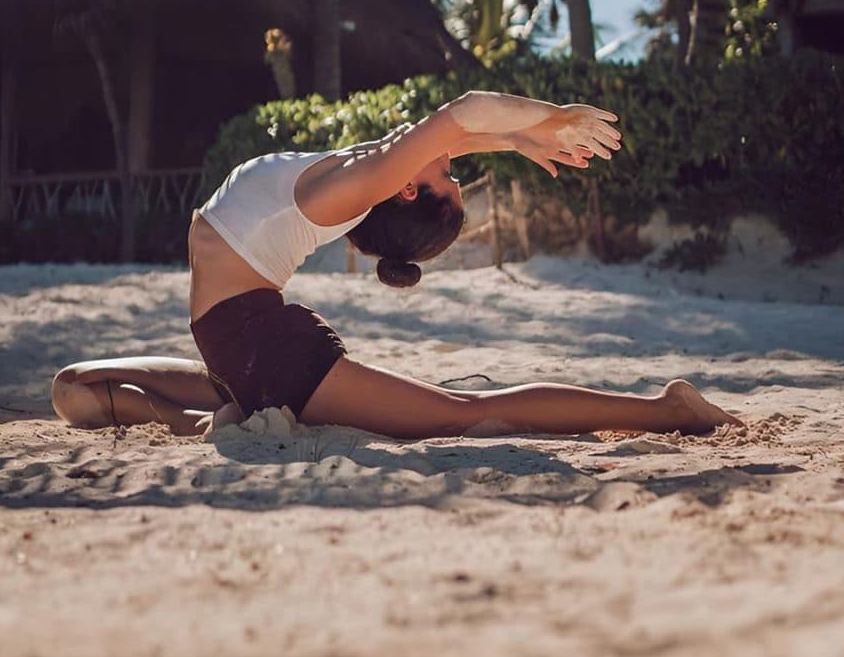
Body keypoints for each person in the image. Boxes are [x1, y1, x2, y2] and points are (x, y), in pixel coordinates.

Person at [51, 91, 740, 439]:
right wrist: (526, 140)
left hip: (265, 352)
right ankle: (219, 419)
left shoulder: (358, 185)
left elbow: (460, 114)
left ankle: (662, 411)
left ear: (408, 188)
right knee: (71, 386)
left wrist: (552, 116)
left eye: (450, 178)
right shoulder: (368, 169)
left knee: (467, 414)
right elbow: (464, 132)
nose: (454, 164)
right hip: (237, 351)